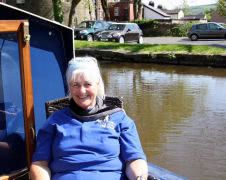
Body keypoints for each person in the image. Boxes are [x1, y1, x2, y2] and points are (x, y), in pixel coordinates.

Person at [30, 57, 148, 180]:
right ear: (69, 87)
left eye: (87, 84)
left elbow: (134, 160)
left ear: (98, 84)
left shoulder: (120, 119)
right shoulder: (54, 122)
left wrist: (139, 177)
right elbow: (40, 164)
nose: (82, 91)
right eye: (75, 85)